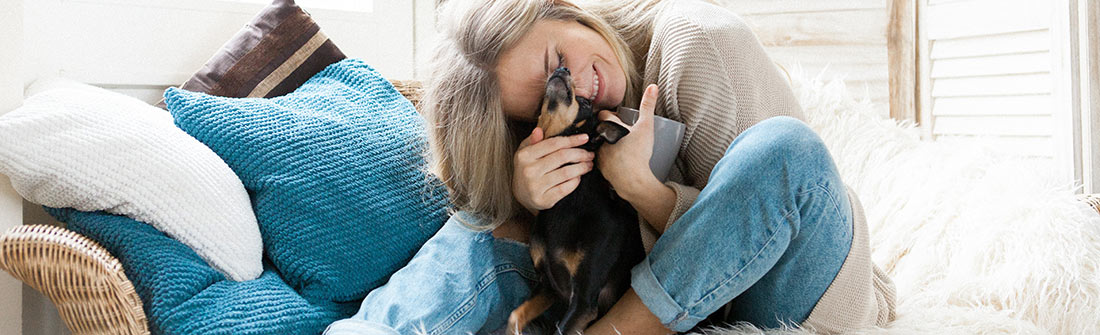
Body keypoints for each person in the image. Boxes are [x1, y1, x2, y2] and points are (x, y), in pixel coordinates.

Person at [325, 0, 896, 334]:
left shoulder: (694, 43)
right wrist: (528, 196)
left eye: (558, 63)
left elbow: (771, 212)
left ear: (564, 9)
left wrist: (644, 191)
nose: (579, 90)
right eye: (546, 98)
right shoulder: (577, 129)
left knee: (781, 148)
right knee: (489, 219)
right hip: (678, 311)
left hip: (818, 292)